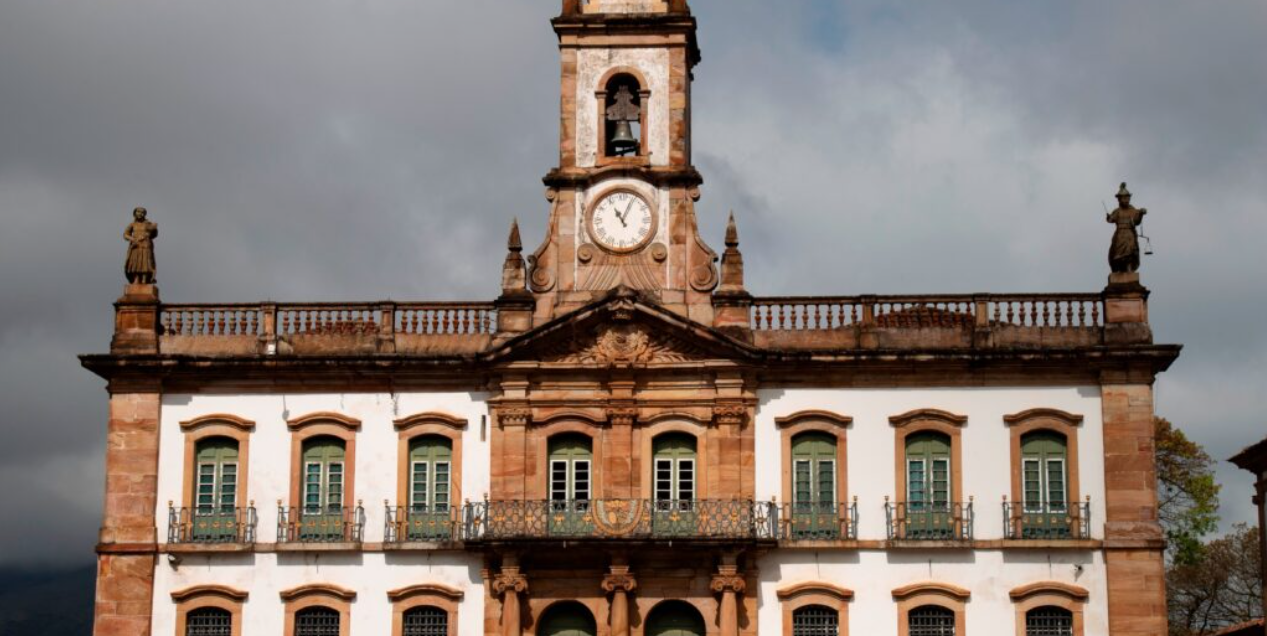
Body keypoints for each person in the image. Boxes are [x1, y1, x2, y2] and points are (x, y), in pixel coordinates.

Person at [1107, 183, 1146, 274]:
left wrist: (1141, 214)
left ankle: (1129, 268)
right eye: (1123, 198)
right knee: (1118, 251)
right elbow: (1111, 219)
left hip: (1130, 234)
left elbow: (1136, 221)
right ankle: (1118, 269)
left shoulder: (1133, 210)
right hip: (1120, 234)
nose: (1126, 200)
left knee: (1130, 251)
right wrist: (1109, 217)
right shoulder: (1117, 211)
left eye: (1127, 198)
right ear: (1119, 200)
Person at [124, 207, 158, 284]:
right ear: (135, 213)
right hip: (136, 246)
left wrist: (154, 229)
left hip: (146, 245)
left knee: (145, 262)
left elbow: (154, 234)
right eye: (138, 212)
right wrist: (133, 239)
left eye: (142, 212)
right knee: (135, 262)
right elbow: (125, 235)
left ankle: (144, 279)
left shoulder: (148, 223)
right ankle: (136, 279)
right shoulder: (132, 224)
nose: (140, 214)